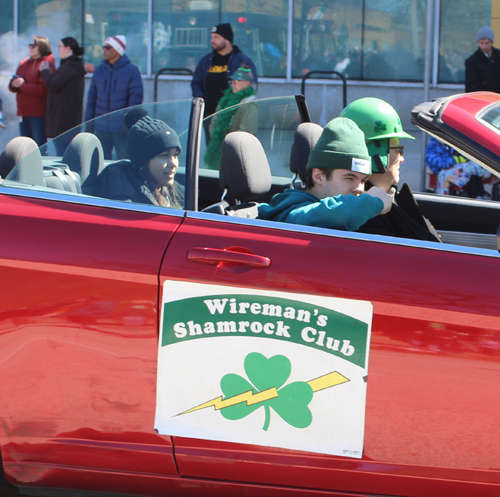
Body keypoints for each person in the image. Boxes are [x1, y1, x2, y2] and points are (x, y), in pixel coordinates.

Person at [258, 117, 392, 230]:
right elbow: (332, 213)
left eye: (363, 181)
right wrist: (375, 202)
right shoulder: (293, 214)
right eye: (349, 178)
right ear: (318, 176)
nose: (359, 189)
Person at [340, 97, 441, 242]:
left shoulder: (391, 197)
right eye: (398, 150)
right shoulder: (366, 218)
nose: (402, 158)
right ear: (374, 153)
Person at [95, 116, 184, 208]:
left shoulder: (170, 189)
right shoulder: (127, 203)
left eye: (175, 155)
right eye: (164, 155)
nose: (173, 163)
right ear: (143, 161)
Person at [191, 23, 258, 143]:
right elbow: (196, 82)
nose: (212, 40)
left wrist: (236, 104)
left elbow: (252, 85)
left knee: (233, 148)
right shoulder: (206, 60)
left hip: (232, 114)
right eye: (211, 37)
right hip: (210, 114)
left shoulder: (242, 60)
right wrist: (202, 100)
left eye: (216, 37)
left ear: (227, 39)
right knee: (212, 149)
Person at [84, 35, 144, 160]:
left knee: (125, 162)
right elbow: (92, 99)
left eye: (108, 48)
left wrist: (128, 124)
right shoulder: (99, 70)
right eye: (103, 47)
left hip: (121, 129)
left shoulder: (132, 71)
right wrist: (89, 123)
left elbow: (136, 100)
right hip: (100, 127)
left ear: (118, 50)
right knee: (99, 162)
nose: (104, 50)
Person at [204, 65, 258, 169]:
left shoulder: (250, 103)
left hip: (234, 152)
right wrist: (216, 138)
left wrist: (226, 144)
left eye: (237, 81)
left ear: (247, 83)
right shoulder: (225, 100)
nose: (233, 84)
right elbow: (214, 122)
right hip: (217, 149)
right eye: (232, 81)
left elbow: (246, 132)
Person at [39, 37, 86, 155]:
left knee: (63, 154)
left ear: (68, 48)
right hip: (67, 120)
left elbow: (53, 85)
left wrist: (45, 71)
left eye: (60, 47)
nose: (58, 49)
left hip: (64, 122)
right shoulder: (71, 65)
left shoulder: (69, 66)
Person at [8, 36, 56, 146]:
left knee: (39, 147)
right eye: (30, 45)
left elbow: (43, 89)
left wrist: (22, 85)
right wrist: (13, 84)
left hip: (39, 114)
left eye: (33, 45)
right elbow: (13, 86)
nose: (30, 47)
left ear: (42, 46)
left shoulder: (47, 63)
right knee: (25, 147)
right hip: (23, 113)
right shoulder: (24, 63)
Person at [425, 137, 490, 198]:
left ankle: (479, 193)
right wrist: (456, 160)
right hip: (440, 171)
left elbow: (459, 154)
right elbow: (439, 163)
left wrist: (463, 158)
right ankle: (476, 194)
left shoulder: (448, 146)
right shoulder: (432, 149)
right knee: (467, 168)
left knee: (471, 167)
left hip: (453, 169)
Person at [465, 26, 500, 93]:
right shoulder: (472, 62)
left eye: (487, 43)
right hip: (485, 100)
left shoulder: (498, 56)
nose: (484, 46)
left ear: (491, 42)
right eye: (481, 43)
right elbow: (471, 88)